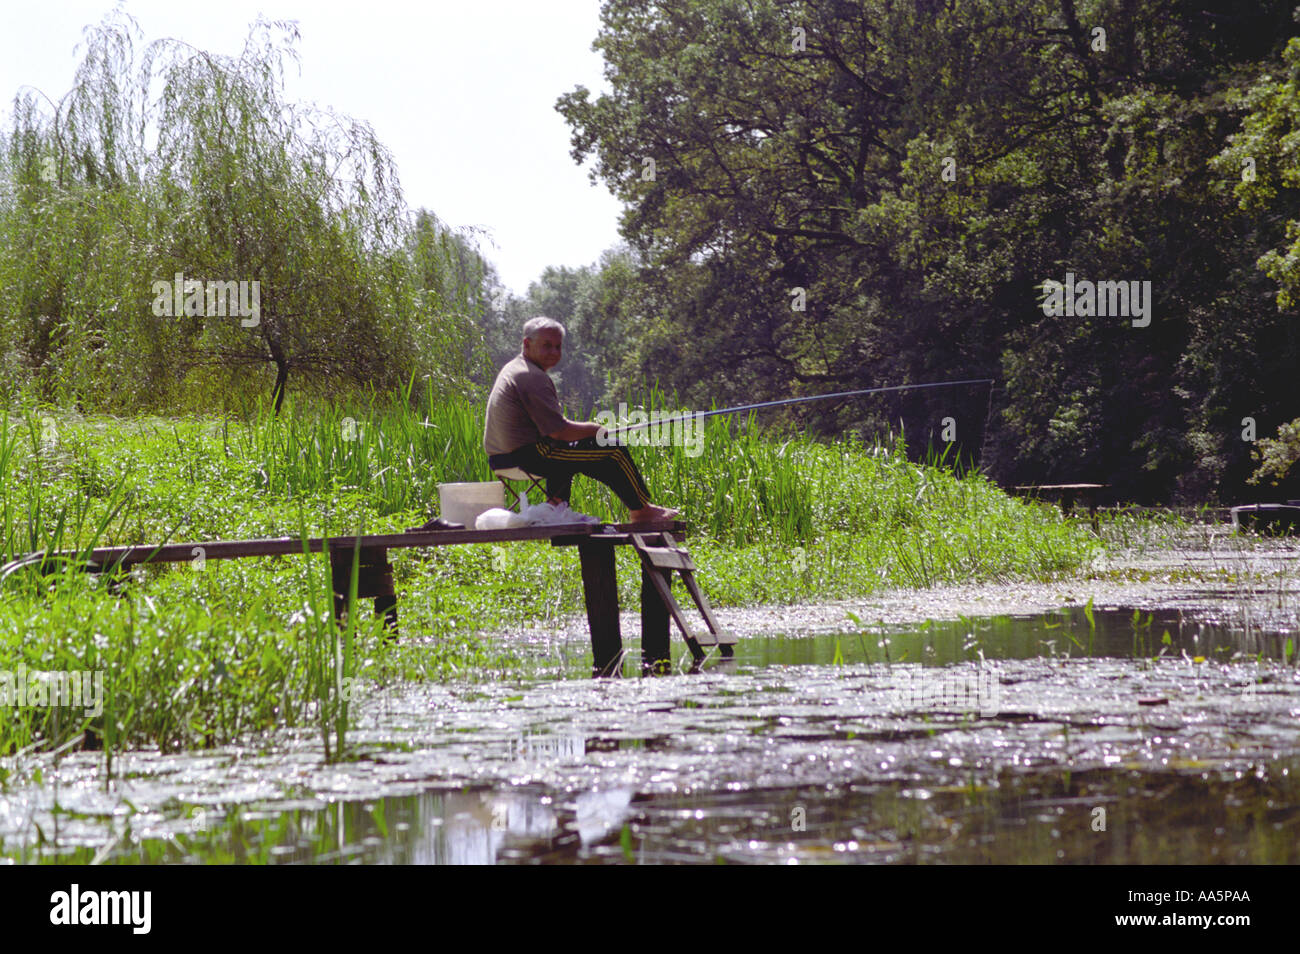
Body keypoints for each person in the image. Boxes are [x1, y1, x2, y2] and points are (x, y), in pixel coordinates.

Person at [484, 316, 678, 524]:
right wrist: (596, 429)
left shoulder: (514, 368)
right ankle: (641, 511)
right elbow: (559, 431)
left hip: (503, 458)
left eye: (558, 347)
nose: (554, 353)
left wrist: (589, 434)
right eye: (547, 346)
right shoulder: (530, 376)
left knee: (581, 451)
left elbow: (556, 431)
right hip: (526, 456)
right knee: (612, 448)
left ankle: (557, 507)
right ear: (526, 343)